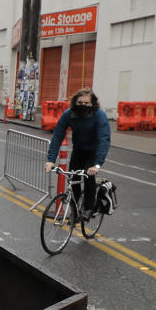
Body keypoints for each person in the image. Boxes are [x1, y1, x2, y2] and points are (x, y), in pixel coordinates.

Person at [45, 87, 111, 219]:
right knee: (73, 179)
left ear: (92, 103)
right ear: (75, 102)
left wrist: (97, 165)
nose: (83, 105)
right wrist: (51, 160)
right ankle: (75, 212)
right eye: (80, 103)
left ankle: (88, 208)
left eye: (86, 103)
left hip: (94, 150)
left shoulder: (99, 115)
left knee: (88, 176)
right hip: (79, 149)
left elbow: (104, 140)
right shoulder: (69, 114)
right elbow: (58, 135)